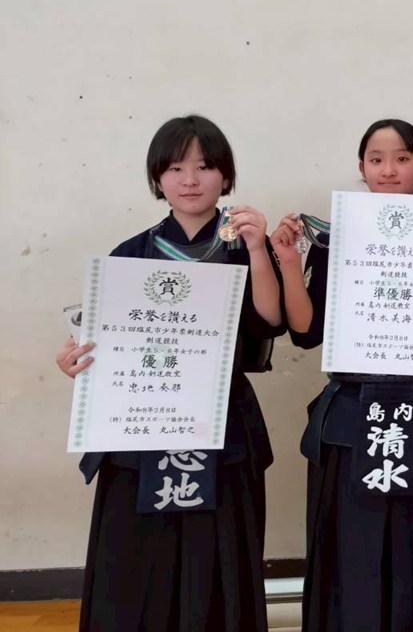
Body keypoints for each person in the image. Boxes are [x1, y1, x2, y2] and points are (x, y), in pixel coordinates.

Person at [56, 114, 285, 632]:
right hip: (141, 428)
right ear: (158, 178)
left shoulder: (244, 244)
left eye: (204, 167)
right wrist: (76, 361)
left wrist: (257, 249)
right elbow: (105, 341)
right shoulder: (130, 254)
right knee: (136, 568)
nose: (190, 180)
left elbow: (271, 321)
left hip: (222, 426)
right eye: (176, 168)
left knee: (218, 561)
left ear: (225, 176)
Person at [270, 118, 413, 632]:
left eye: (402, 158)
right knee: (351, 554)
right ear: (362, 167)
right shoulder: (335, 238)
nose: (389, 170)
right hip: (350, 416)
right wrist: (288, 264)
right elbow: (305, 331)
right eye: (376, 159)